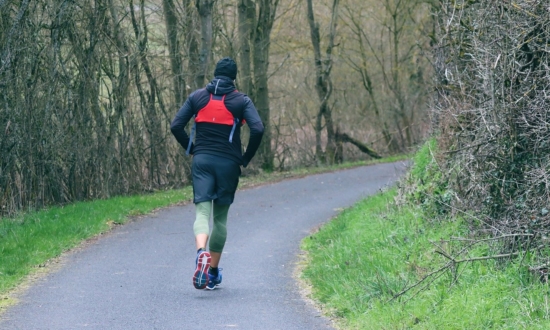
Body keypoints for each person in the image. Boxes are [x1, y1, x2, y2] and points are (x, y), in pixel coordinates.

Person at [170, 57, 264, 290]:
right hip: (229, 164)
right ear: (234, 78)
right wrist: (246, 158)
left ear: (214, 75)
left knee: (202, 212)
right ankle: (212, 272)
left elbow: (175, 125)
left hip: (201, 160)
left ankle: (201, 252)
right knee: (220, 219)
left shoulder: (198, 97)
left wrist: (191, 148)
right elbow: (258, 128)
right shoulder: (241, 100)